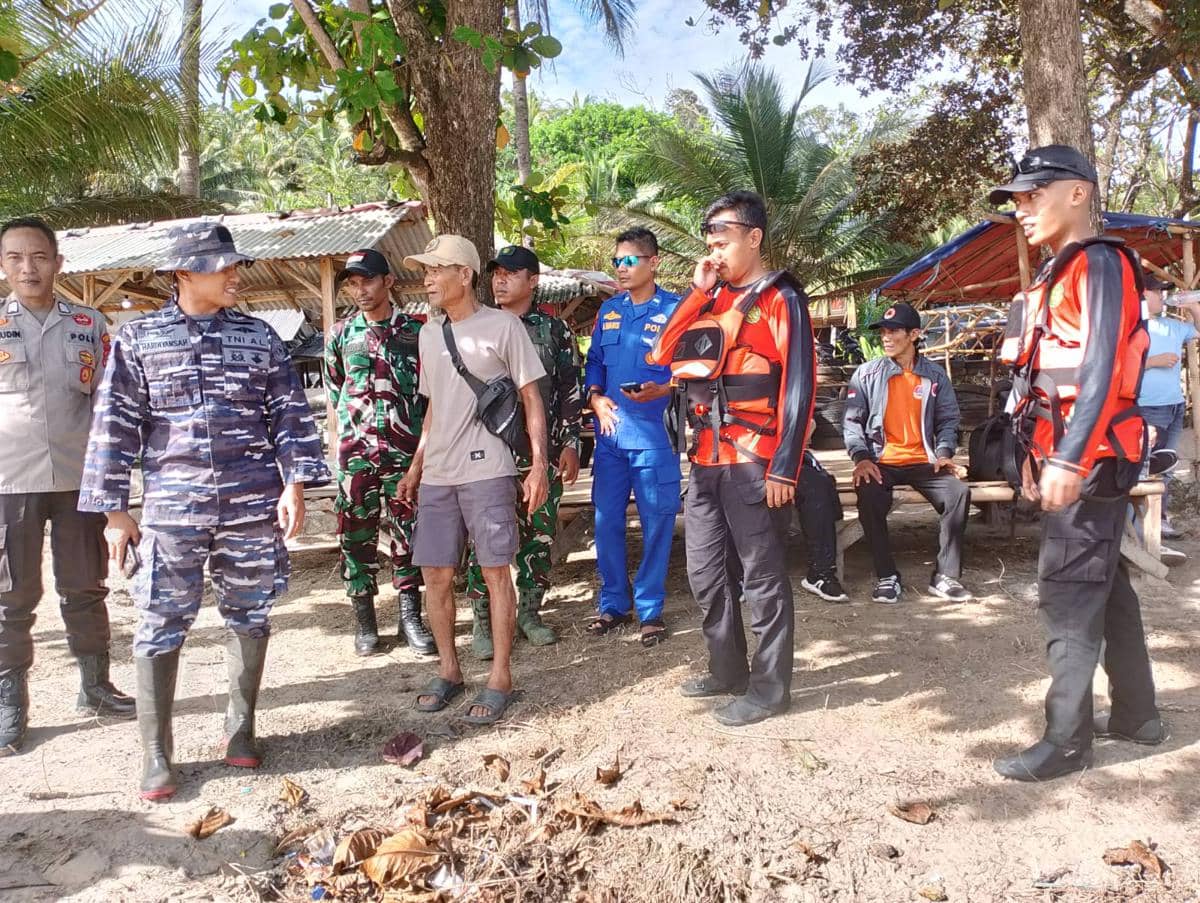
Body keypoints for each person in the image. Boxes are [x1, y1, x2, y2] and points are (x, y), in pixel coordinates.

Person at [78, 223, 330, 800]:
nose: (234, 275)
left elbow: (290, 415)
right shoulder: (140, 339)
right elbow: (114, 424)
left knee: (250, 613)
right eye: (222, 267)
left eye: (235, 265)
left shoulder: (259, 337)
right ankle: (156, 753)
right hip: (173, 509)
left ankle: (240, 728)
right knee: (160, 621)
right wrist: (114, 513)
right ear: (184, 273)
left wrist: (295, 485)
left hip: (251, 504)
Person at [988, 145, 1164, 782]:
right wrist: (1033, 454)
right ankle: (1138, 716)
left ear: (1079, 193)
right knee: (1102, 582)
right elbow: (1041, 381)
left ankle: (1066, 743)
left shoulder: (1100, 262)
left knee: (1066, 592)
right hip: (1071, 454)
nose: (1022, 208)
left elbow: (1101, 366)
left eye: (1034, 195)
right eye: (1017, 199)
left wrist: (1067, 457)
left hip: (1090, 458)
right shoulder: (1056, 272)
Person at [648, 190, 816, 726]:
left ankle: (770, 690)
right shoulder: (712, 299)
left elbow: (799, 385)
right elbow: (662, 354)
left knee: (762, 578)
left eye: (722, 241)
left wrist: (785, 466)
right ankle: (727, 670)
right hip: (706, 460)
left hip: (755, 460)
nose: (714, 252)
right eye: (709, 243)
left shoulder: (781, 299)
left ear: (754, 237)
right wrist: (697, 293)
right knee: (704, 572)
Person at [399, 235, 548, 726]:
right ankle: (449, 670)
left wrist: (539, 465)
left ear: (464, 275)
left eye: (435, 270)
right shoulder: (429, 333)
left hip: (488, 470)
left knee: (494, 572)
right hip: (438, 474)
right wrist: (417, 466)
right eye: (425, 271)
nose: (427, 279)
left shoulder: (504, 327)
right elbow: (434, 408)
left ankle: (500, 677)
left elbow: (531, 398)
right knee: (435, 575)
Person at [0, 217, 134, 757]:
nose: (27, 267)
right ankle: (10, 704)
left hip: (81, 478)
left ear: (58, 262)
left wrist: (113, 484)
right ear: (2, 265)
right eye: (15, 257)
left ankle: (95, 686)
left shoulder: (89, 323)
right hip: (9, 481)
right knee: (11, 596)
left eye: (38, 256)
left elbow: (109, 403)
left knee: (85, 585)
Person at [463, 245, 581, 658]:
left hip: (539, 454)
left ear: (533, 281)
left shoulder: (554, 331)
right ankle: (483, 619)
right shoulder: (474, 327)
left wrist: (570, 444)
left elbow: (569, 388)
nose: (500, 280)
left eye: (511, 273)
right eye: (496, 273)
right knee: (483, 537)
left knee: (539, 534)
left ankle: (530, 613)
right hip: (485, 454)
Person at [325, 248, 436, 658]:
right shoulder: (340, 335)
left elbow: (430, 397)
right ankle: (365, 623)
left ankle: (410, 618)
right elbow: (336, 392)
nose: (360, 290)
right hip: (356, 457)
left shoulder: (418, 333)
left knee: (409, 536)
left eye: (368, 281)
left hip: (405, 457)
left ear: (388, 281)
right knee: (355, 538)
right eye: (353, 284)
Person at [583, 228, 681, 646]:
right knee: (606, 522)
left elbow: (695, 368)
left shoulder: (676, 310)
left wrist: (667, 388)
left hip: (654, 437)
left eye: (630, 260)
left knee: (657, 523)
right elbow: (594, 362)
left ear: (653, 262)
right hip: (610, 438)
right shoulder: (609, 310)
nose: (621, 268)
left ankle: (650, 609)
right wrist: (595, 398)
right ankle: (613, 604)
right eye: (617, 261)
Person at [842, 302, 972, 604]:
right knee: (869, 494)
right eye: (883, 332)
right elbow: (851, 422)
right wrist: (861, 458)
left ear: (914, 334)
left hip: (924, 461)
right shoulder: (867, 374)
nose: (886, 338)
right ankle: (887, 575)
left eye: (894, 331)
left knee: (958, 493)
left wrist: (944, 452)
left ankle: (945, 576)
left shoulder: (935, 376)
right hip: (880, 461)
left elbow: (948, 419)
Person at [1138, 275, 1200, 540]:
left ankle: (1159, 520)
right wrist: (1153, 361)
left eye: (1164, 293)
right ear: (1143, 295)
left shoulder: (1172, 326)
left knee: (1166, 465)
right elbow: (1116, 365)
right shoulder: (1132, 328)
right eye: (1157, 292)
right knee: (1144, 468)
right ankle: (1140, 525)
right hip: (1147, 407)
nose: (1163, 297)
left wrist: (1193, 306)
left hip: (1174, 405)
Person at [796, 450, 848, 602]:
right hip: (740, 462)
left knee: (817, 485)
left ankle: (820, 572)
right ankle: (736, 577)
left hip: (786, 461)